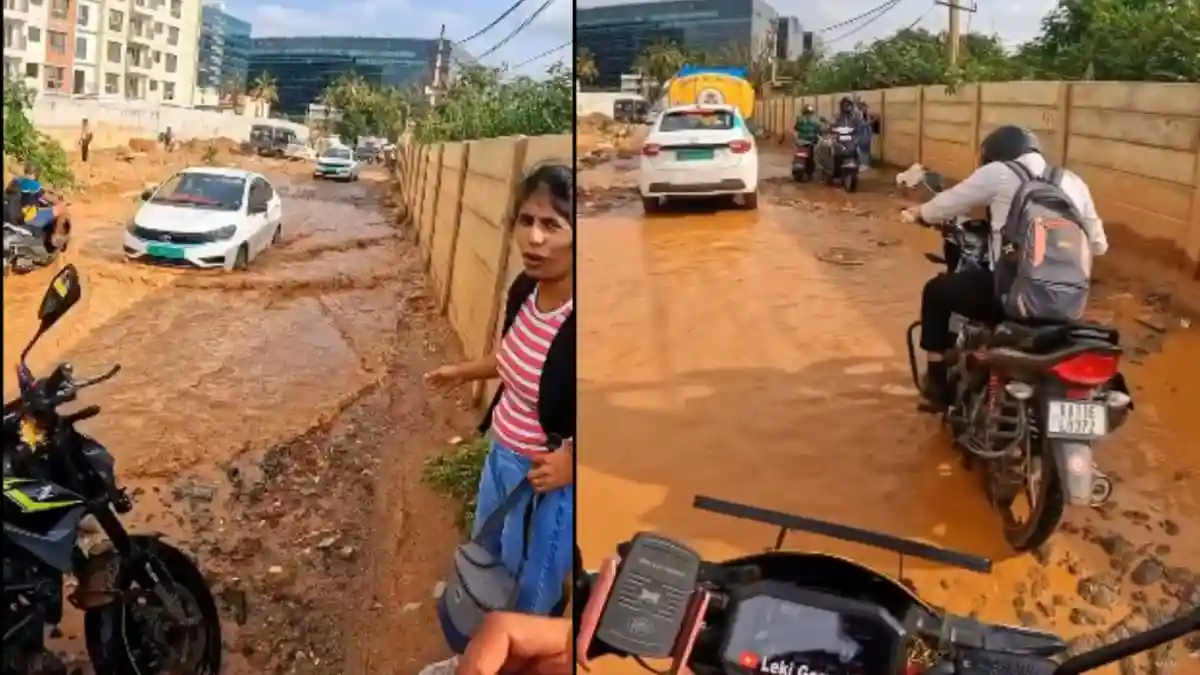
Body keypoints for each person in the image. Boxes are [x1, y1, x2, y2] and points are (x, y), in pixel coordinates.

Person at [425, 162, 575, 609]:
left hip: (544, 481)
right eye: (526, 220)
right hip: (500, 455)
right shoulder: (525, 289)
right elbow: (512, 359)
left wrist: (574, 459)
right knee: (487, 559)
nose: (534, 238)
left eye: (552, 225)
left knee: (530, 591)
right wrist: (463, 372)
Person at [900, 125, 1109, 409]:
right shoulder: (1073, 181)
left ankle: (936, 387)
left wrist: (919, 213)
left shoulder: (998, 172)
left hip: (1011, 297)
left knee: (936, 292)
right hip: (1068, 304)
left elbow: (944, 205)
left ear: (994, 155)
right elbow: (1099, 245)